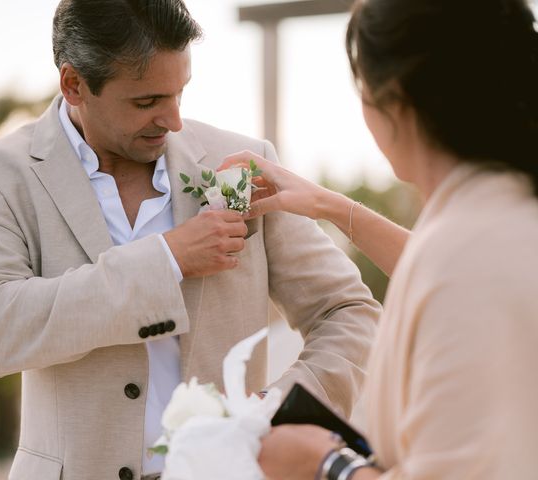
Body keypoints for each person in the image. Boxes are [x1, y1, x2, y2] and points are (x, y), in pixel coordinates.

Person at [0, 1, 380, 479]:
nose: (173, 120)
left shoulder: (240, 162)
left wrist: (278, 410)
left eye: (180, 93)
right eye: (147, 102)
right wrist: (167, 259)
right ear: (74, 85)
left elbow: (348, 310)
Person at [221, 0, 538, 478]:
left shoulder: (465, 260)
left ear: (393, 101)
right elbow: (442, 267)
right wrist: (327, 204)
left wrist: (325, 463)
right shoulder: (501, 218)